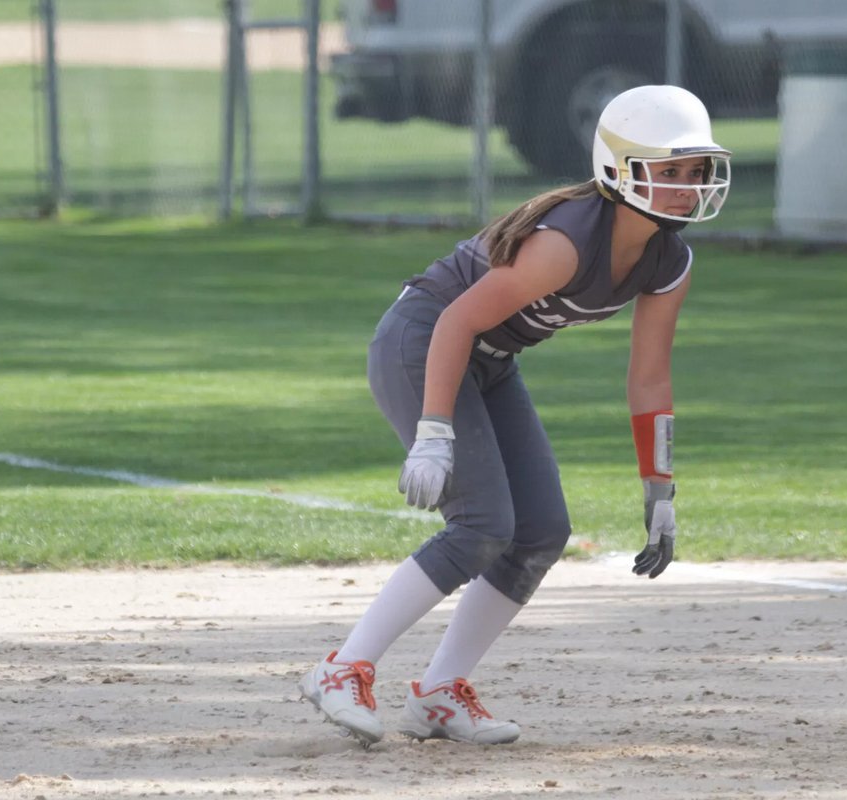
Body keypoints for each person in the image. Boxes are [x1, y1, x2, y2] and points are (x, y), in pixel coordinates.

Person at [299, 84, 731, 747]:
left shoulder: (669, 259)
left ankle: (440, 693)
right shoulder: (566, 242)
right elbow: (455, 318)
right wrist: (434, 433)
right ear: (618, 168)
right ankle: (343, 667)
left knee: (540, 531)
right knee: (480, 526)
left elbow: (649, 378)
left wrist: (660, 489)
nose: (684, 187)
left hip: (489, 362)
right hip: (424, 343)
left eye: (693, 171)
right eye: (667, 171)